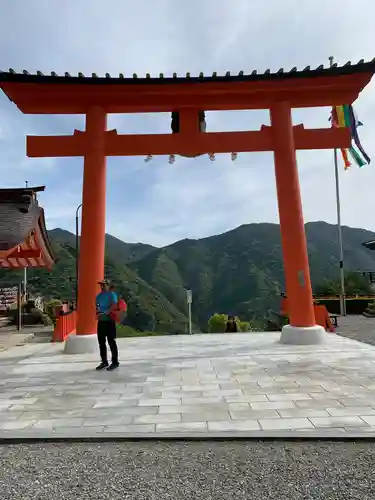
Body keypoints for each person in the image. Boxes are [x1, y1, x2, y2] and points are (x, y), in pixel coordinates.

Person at [95, 279, 119, 371]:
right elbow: (97, 306)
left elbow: (114, 306)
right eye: (101, 285)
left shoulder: (111, 295)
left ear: (108, 286)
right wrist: (98, 312)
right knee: (101, 342)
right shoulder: (98, 296)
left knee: (111, 342)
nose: (102, 286)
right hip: (101, 321)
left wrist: (105, 312)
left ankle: (115, 362)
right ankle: (104, 361)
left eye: (104, 285)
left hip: (109, 321)